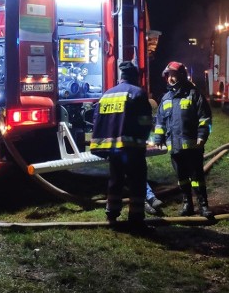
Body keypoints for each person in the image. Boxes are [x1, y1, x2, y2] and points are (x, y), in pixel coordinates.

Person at [90, 61, 154, 232]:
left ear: (120, 78)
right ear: (134, 77)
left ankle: (111, 213)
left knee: (115, 180)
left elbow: (97, 121)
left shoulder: (107, 95)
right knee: (137, 182)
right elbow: (145, 121)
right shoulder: (138, 93)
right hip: (132, 148)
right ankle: (136, 219)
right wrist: (145, 138)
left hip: (113, 149)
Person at [153, 61, 216, 224]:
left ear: (181, 76)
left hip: (193, 147)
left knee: (197, 177)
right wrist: (158, 137)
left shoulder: (194, 94)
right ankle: (187, 204)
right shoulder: (165, 99)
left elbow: (205, 119)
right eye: (168, 76)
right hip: (174, 147)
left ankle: (203, 205)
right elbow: (159, 121)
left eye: (173, 75)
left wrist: (202, 135)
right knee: (182, 177)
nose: (170, 79)